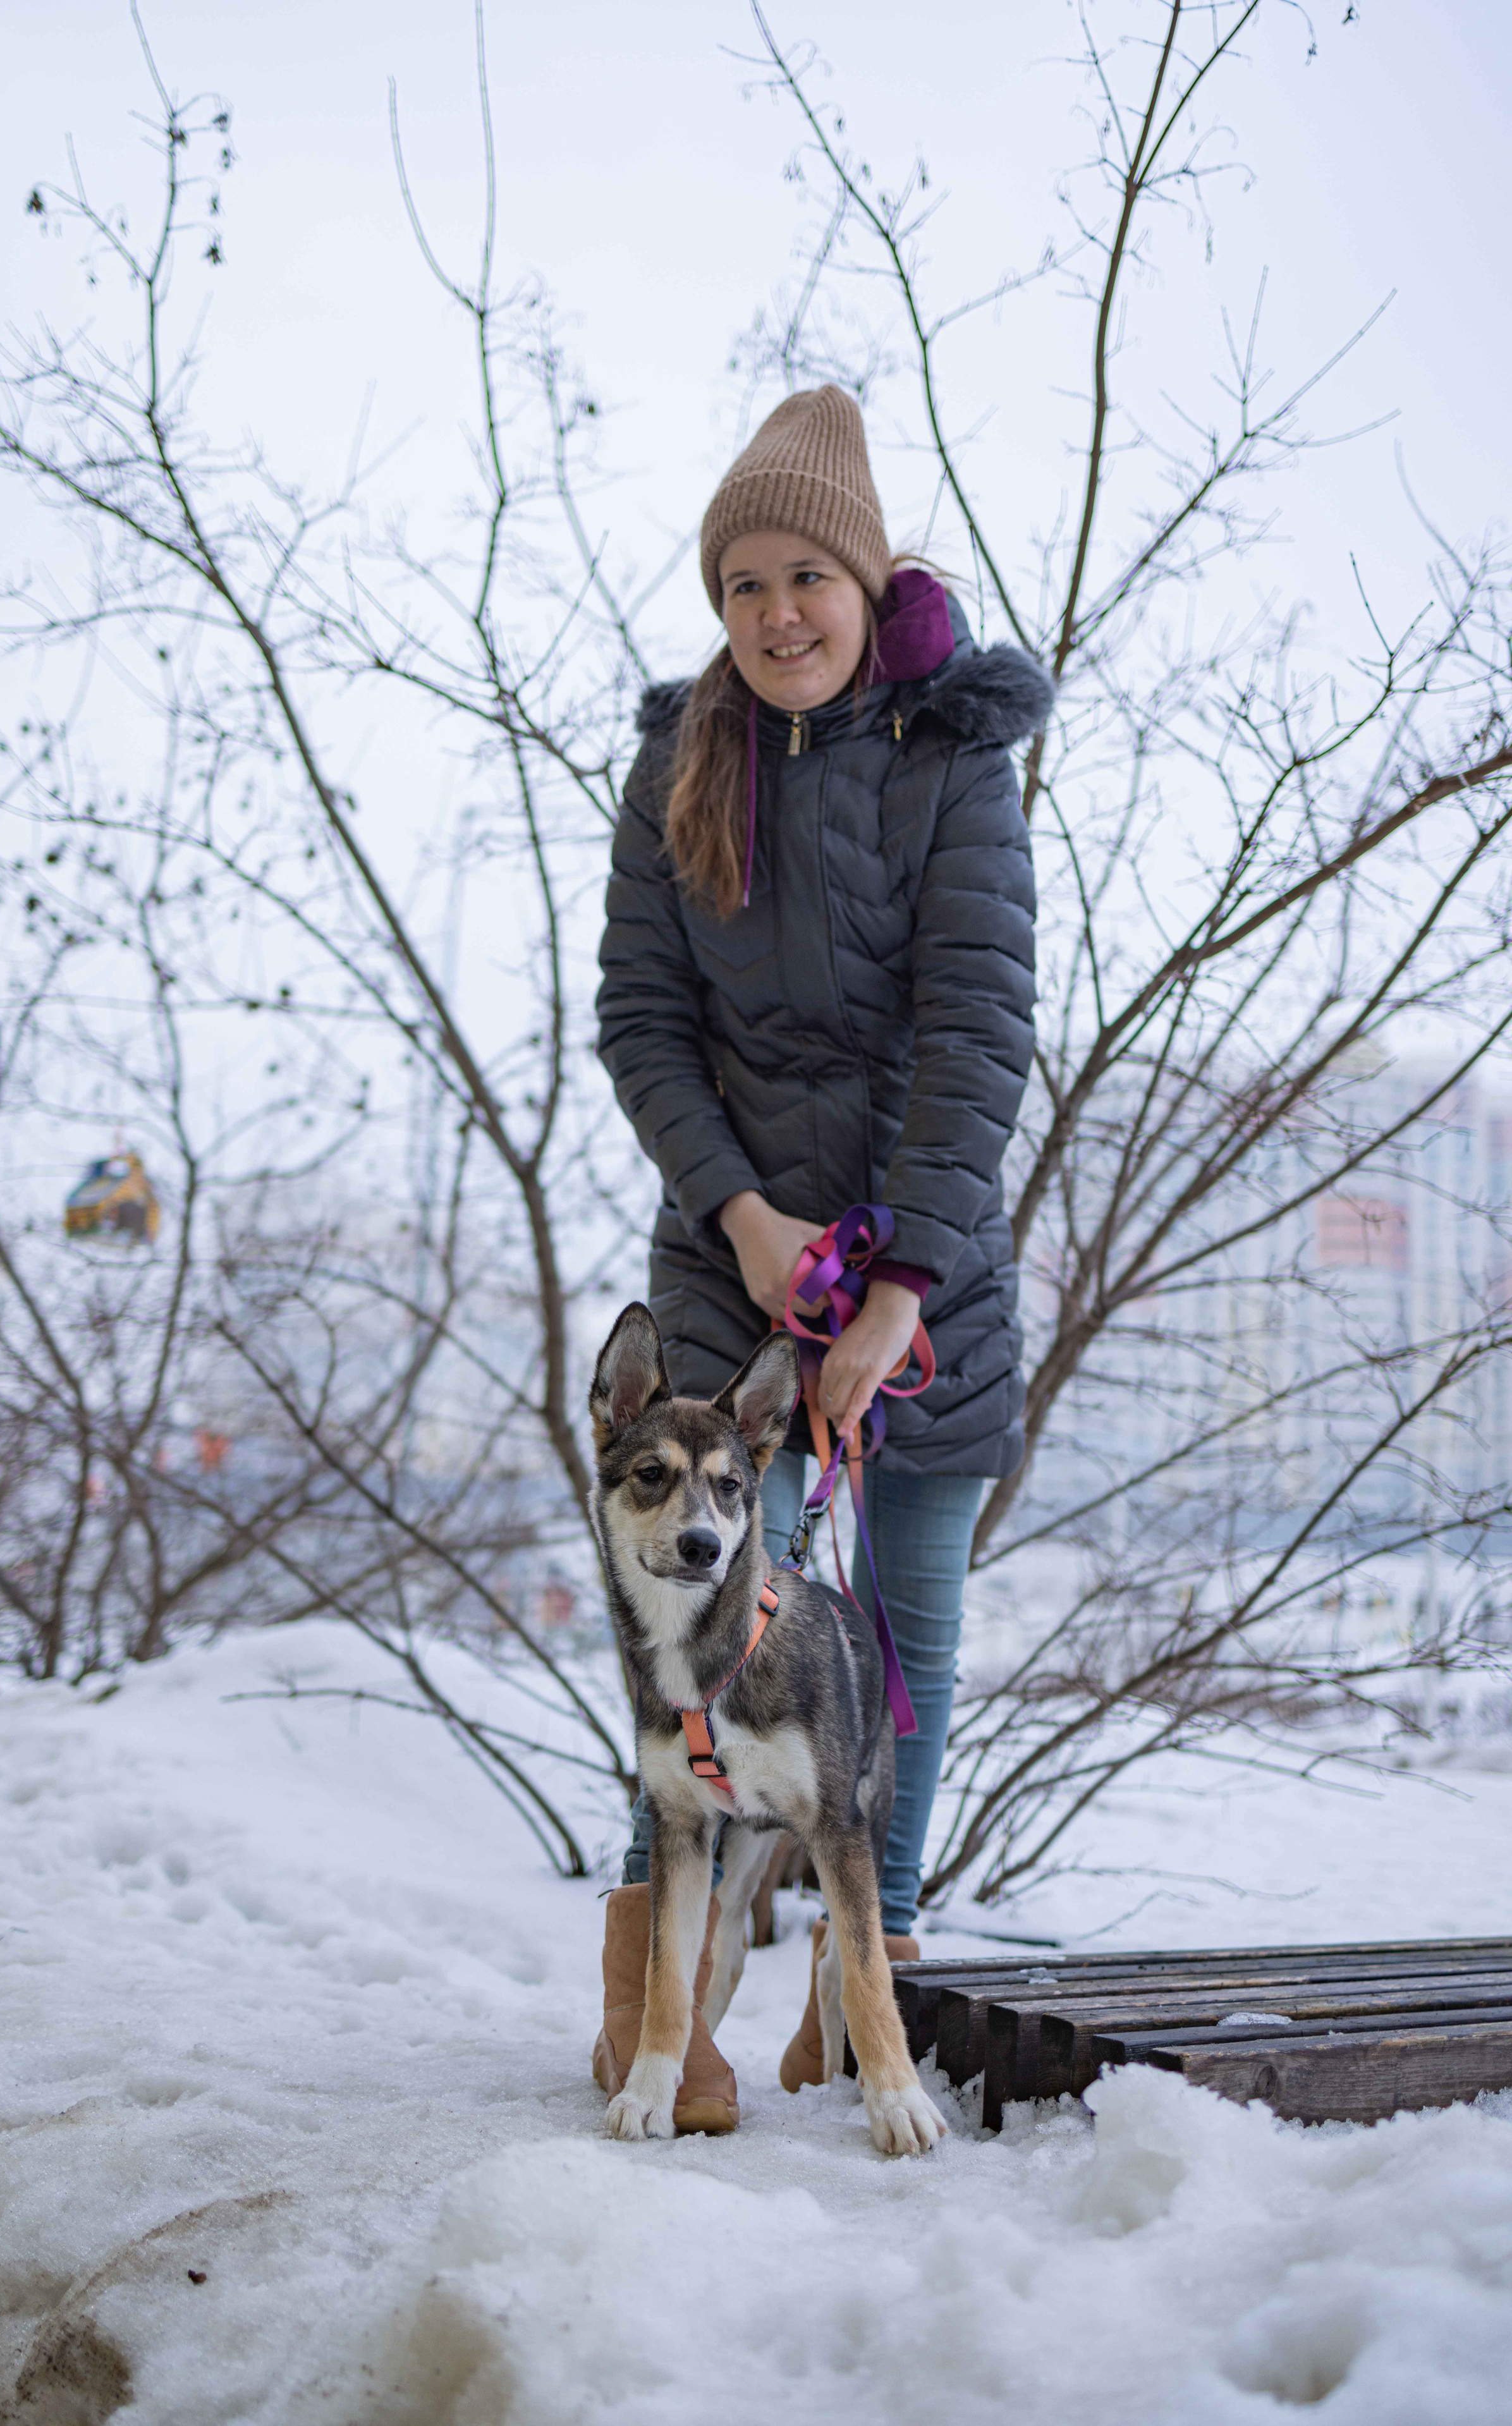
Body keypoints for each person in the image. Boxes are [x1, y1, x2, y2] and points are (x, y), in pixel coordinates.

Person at [592, 384, 1050, 2130]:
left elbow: (976, 1032)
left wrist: (896, 1292)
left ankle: (871, 2003)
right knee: (702, 1626)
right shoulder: (679, 763)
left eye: (807, 577)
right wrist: (745, 1218)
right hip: (729, 1275)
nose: (777, 613)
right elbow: (640, 1020)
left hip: (931, 1284)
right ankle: (668, 2021)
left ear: (866, 582)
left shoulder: (953, 764)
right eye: (741, 586)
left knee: (902, 1639)